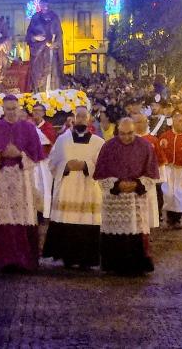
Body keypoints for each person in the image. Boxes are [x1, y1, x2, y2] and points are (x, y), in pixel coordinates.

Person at [0, 95, 45, 272]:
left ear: (19, 108)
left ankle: (25, 261)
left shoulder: (29, 129)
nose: (11, 112)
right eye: (8, 109)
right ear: (3, 110)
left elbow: (36, 155)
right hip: (1, 179)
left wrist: (19, 154)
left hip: (22, 179)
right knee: (4, 222)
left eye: (14, 108)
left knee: (23, 220)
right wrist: (1, 154)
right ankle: (6, 261)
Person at [93, 117, 159, 276]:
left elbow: (152, 174)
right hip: (114, 200)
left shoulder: (145, 146)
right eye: (122, 134)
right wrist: (116, 185)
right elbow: (101, 175)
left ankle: (136, 266)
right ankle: (113, 265)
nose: (126, 137)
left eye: (130, 133)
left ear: (135, 131)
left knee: (136, 230)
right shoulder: (108, 147)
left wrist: (137, 184)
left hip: (135, 198)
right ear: (117, 132)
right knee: (114, 231)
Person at [42, 106, 104, 269]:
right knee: (67, 221)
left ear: (89, 119)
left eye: (84, 116)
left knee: (87, 222)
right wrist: (66, 166)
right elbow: (52, 163)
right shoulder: (62, 140)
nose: (81, 119)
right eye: (78, 116)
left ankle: (87, 259)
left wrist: (86, 165)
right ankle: (67, 257)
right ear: (73, 118)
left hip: (88, 189)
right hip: (67, 188)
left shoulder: (98, 142)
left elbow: (104, 166)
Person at [132, 113, 167, 228]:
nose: (139, 125)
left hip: (149, 179)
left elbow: (160, 159)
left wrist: (160, 178)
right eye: (136, 122)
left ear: (146, 123)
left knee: (151, 202)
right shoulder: (129, 139)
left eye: (141, 122)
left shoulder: (153, 140)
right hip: (133, 179)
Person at [25, 0, 64, 92]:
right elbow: (29, 34)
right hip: (38, 51)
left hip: (50, 50)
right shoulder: (35, 17)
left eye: (45, 4)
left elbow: (59, 34)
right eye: (42, 4)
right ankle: (39, 92)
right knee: (38, 74)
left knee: (51, 73)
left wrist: (55, 44)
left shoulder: (54, 17)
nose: (44, 6)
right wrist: (35, 38)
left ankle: (51, 93)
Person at [30, 103, 56, 218]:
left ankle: (44, 214)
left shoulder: (48, 127)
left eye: (38, 110)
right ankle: (33, 213)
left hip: (44, 163)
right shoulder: (28, 125)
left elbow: (47, 140)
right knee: (33, 187)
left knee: (44, 188)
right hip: (31, 162)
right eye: (34, 110)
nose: (35, 113)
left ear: (44, 113)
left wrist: (33, 128)